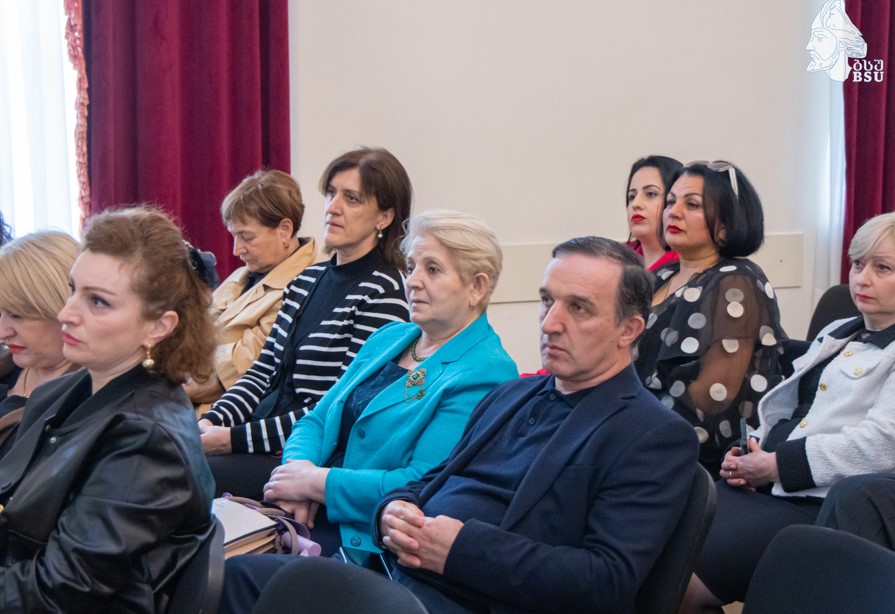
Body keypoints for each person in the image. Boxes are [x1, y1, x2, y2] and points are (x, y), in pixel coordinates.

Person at [0, 206, 215, 612]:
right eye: (73, 289)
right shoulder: (68, 389)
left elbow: (60, 588)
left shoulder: (147, 438)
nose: (66, 314)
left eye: (97, 301)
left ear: (158, 326)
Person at [681, 212, 895, 611]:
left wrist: (777, 465)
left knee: (678, 581)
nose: (862, 279)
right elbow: (792, 410)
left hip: (817, 500)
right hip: (772, 485)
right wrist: (750, 451)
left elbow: (882, 444)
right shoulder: (839, 330)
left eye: (882, 268)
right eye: (858, 264)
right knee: (665, 539)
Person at [199, 147, 411, 498]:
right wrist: (213, 420)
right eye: (331, 193)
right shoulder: (305, 280)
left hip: (309, 457)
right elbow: (261, 372)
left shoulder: (384, 292)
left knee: (190, 473)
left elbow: (337, 407)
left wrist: (231, 439)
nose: (333, 207)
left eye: (352, 199)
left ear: (384, 217)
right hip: (260, 438)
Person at [634, 160, 786, 477]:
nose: (673, 212)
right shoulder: (660, 276)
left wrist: (623, 425)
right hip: (637, 431)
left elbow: (712, 403)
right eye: (671, 202)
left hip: (691, 457)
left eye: (692, 205)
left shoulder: (736, 282)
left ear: (726, 224)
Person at [184, 169, 318, 409]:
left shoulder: (304, 289)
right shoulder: (245, 274)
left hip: (222, 418)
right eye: (234, 236)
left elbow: (221, 380)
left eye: (247, 237)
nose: (237, 250)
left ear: (285, 230)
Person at [0, 231, 81, 455]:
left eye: (18, 315)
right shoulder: (7, 369)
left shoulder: (89, 399)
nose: (2, 332)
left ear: (63, 309)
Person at [625, 155, 683, 270]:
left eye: (650, 194)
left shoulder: (687, 268)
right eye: (632, 197)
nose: (635, 204)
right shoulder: (615, 258)